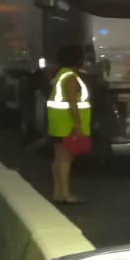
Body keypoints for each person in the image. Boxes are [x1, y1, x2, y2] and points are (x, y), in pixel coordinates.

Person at [45, 43, 91, 205]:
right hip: (68, 125)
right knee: (65, 160)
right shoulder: (70, 78)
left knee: (58, 159)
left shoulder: (60, 75)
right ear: (78, 59)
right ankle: (66, 194)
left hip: (58, 124)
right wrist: (78, 126)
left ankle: (58, 192)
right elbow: (73, 104)